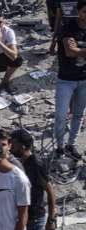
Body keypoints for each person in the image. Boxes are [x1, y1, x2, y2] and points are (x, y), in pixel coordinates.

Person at [9, 130, 56, 230]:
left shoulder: (35, 163)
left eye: (13, 143)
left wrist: (52, 218)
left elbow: (49, 190)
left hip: (34, 217)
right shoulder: (19, 161)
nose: (10, 146)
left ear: (22, 146)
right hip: (29, 215)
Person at [54, 1, 86, 160]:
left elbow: (76, 51)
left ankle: (71, 144)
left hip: (84, 79)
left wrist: (79, 50)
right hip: (66, 79)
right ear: (79, 12)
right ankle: (59, 146)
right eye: (85, 11)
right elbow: (70, 52)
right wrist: (76, 51)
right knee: (60, 115)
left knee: (78, 114)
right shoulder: (68, 27)